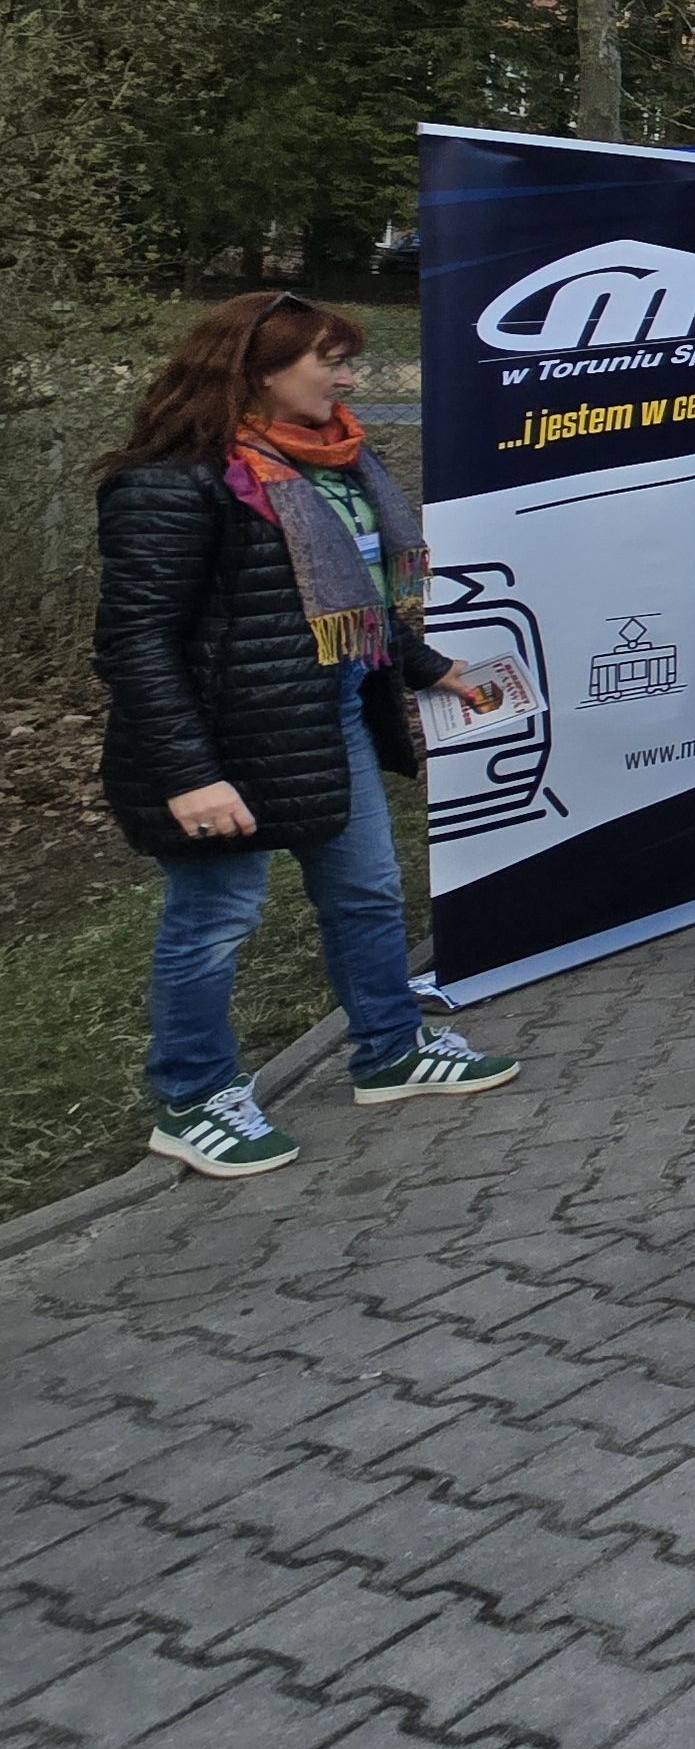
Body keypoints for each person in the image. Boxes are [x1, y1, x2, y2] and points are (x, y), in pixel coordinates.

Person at [95, 293, 522, 1178]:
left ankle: (390, 1052)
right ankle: (192, 1099)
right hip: (223, 743)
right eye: (330, 361)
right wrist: (189, 775)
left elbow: (356, 603)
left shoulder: (335, 464)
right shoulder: (170, 484)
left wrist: (428, 666)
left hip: (331, 720)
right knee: (215, 921)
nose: (350, 378)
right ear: (256, 369)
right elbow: (134, 643)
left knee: (367, 893)